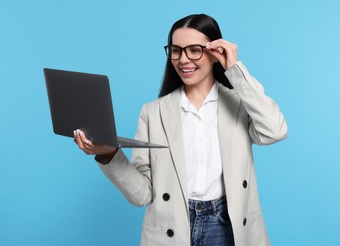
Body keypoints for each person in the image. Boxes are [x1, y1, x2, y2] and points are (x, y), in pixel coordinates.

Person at [74, 14, 288, 246]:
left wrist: (234, 68)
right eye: (176, 50)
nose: (183, 59)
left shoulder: (239, 105)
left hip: (228, 226)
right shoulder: (153, 112)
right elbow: (141, 195)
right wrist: (109, 154)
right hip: (170, 229)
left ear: (215, 53)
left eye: (194, 50)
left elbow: (274, 130)